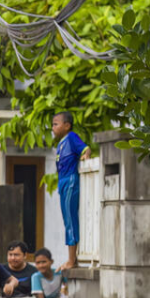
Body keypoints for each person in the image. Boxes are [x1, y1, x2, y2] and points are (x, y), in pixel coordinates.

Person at [52, 111, 91, 269]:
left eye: (56, 124)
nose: (53, 127)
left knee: (70, 219)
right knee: (66, 219)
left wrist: (85, 156)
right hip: (62, 182)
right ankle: (70, 258)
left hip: (70, 181)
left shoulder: (72, 137)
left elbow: (86, 149)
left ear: (67, 125)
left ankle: (71, 260)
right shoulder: (61, 143)